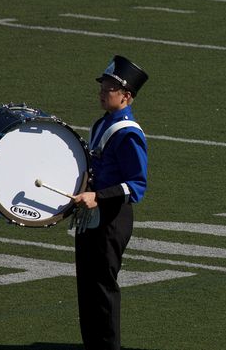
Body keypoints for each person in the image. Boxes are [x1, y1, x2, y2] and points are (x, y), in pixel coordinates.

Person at [72, 55, 149, 350]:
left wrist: (98, 196)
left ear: (127, 96)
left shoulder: (128, 133)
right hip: (91, 215)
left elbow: (137, 186)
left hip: (112, 219)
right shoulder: (101, 123)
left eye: (110, 89)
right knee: (87, 287)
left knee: (103, 289)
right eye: (102, 87)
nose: (103, 93)